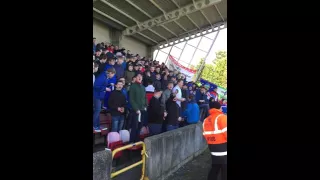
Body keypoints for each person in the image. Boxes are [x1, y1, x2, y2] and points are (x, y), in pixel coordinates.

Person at [203, 101, 227, 180]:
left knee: (215, 167)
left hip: (212, 147)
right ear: (219, 108)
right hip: (223, 147)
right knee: (225, 170)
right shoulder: (222, 117)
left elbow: (205, 135)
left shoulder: (206, 120)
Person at [93, 68, 116, 132]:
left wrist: (109, 84)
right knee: (97, 111)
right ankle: (94, 126)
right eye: (113, 75)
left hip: (99, 96)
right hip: (96, 96)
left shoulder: (106, 76)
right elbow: (95, 86)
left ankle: (97, 126)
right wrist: (105, 88)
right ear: (110, 73)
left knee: (98, 111)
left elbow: (102, 84)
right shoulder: (102, 76)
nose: (112, 76)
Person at [129, 73, 147, 142]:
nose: (140, 77)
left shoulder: (143, 87)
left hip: (142, 109)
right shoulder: (133, 86)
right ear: (136, 78)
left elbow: (145, 97)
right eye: (138, 76)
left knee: (140, 126)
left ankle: (137, 141)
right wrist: (136, 109)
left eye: (141, 77)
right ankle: (131, 141)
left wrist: (145, 105)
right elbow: (132, 99)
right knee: (135, 126)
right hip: (136, 110)